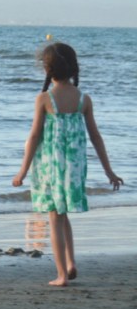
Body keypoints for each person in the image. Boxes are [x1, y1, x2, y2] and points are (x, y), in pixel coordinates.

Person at [12, 42, 123, 286]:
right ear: (73, 68)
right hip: (74, 168)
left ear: (47, 69)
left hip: (51, 167)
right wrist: (109, 171)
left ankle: (62, 274)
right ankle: (71, 263)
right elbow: (96, 137)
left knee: (54, 217)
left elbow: (34, 136)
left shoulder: (45, 99)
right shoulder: (83, 99)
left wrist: (22, 171)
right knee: (62, 215)